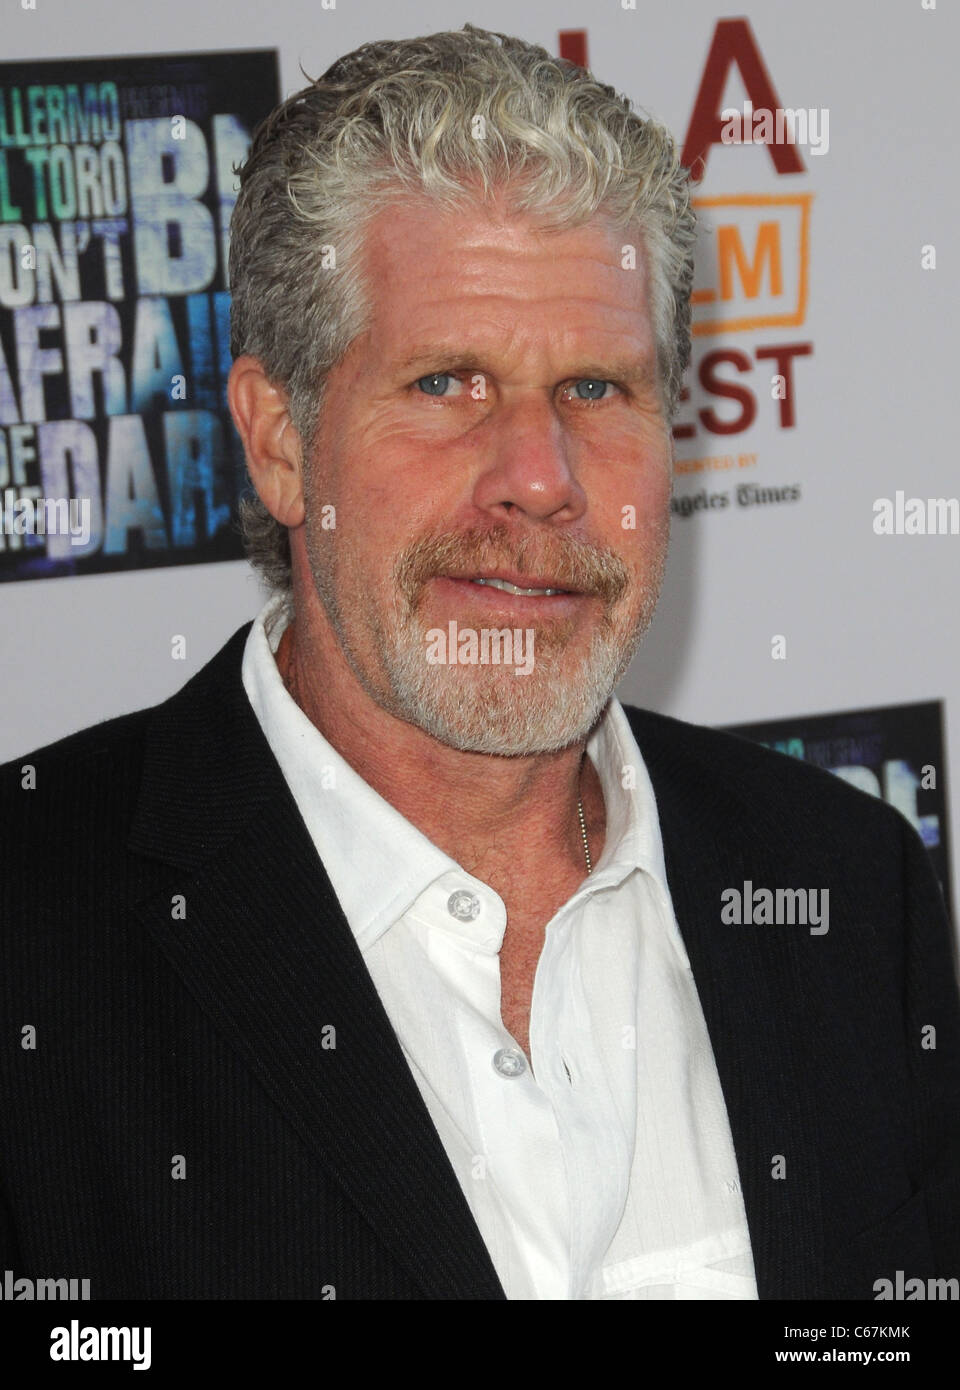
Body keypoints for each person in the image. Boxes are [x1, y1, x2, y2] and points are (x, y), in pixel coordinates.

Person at [2, 24, 958, 1302]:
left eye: (599, 390)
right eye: (449, 381)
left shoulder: (845, 885)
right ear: (279, 441)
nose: (541, 481)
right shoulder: (32, 933)